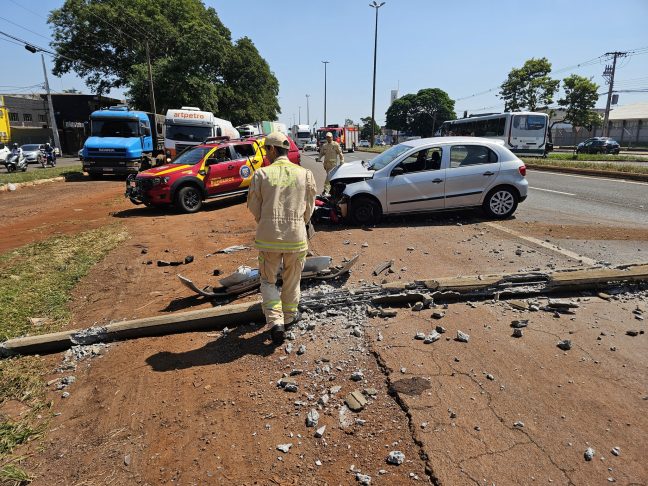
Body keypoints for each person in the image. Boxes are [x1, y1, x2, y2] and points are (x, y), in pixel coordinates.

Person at [247, 132, 317, 344]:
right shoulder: (305, 174)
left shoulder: (261, 174)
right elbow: (309, 207)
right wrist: (297, 222)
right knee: (292, 279)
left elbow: (253, 206)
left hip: (269, 237)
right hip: (296, 237)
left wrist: (266, 220)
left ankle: (275, 321)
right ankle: (288, 318)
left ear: (272, 149)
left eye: (266, 150)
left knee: (268, 280)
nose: (265, 155)